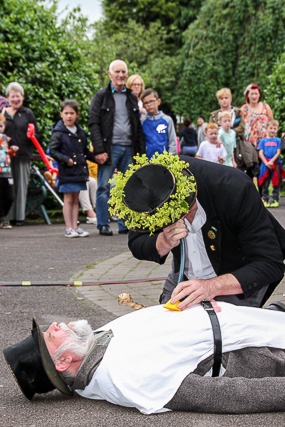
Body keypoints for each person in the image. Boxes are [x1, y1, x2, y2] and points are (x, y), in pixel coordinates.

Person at [4, 303, 285, 414]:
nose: (53, 326)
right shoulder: (124, 377)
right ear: (64, 362)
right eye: (49, 338)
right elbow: (221, 395)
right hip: (261, 351)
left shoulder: (97, 342)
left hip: (254, 320)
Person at [126, 153, 285, 308]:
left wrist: (212, 286)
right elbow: (136, 243)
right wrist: (163, 242)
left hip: (236, 274)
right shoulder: (148, 187)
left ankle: (272, 314)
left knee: (225, 332)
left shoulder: (235, 188)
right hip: (185, 278)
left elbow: (270, 263)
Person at [89, 59, 145, 236]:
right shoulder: (101, 96)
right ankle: (103, 223)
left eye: (123, 72)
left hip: (129, 148)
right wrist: (99, 150)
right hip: (109, 148)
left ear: (126, 74)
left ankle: (124, 223)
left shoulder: (131, 96)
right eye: (117, 72)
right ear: (110, 74)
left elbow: (137, 126)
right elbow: (93, 123)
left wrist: (140, 153)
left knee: (127, 187)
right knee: (103, 187)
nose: (120, 75)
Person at [50, 99, 96, 238]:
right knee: (68, 199)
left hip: (79, 171)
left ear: (77, 115)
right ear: (61, 114)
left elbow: (85, 151)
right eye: (66, 113)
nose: (69, 116)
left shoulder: (80, 132)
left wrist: (97, 158)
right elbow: (53, 150)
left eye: (72, 113)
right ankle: (68, 227)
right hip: (67, 171)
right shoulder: (58, 132)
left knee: (76, 199)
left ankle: (75, 226)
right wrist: (66, 160)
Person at [2, 82, 40, 226]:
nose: (16, 99)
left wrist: (31, 135)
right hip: (5, 157)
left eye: (18, 96)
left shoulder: (27, 113)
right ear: (8, 97)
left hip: (23, 155)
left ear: (22, 97)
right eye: (13, 96)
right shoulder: (3, 114)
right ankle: (7, 217)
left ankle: (19, 217)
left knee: (21, 186)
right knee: (7, 187)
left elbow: (37, 134)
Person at [209, 87, 258, 175]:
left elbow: (242, 127)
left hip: (236, 146)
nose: (224, 100)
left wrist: (229, 133)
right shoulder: (214, 115)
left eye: (226, 98)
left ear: (230, 98)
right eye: (221, 98)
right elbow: (211, 128)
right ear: (218, 100)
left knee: (237, 171)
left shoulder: (238, 112)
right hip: (219, 146)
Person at [140, 88, 177, 160]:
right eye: (146, 103)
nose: (149, 105)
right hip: (147, 161)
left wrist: (170, 159)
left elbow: (172, 142)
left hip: (164, 160)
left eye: (151, 101)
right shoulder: (142, 122)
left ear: (158, 101)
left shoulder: (167, 120)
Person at [258, 119, 285, 208]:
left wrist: (271, 161)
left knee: (276, 182)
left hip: (275, 163)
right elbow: (260, 152)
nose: (272, 130)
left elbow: (278, 152)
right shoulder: (263, 141)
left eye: (274, 128)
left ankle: (275, 199)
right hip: (265, 164)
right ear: (266, 129)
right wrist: (266, 162)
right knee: (265, 182)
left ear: (277, 130)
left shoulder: (278, 140)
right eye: (271, 128)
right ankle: (265, 199)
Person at [0, 113, 18, 229]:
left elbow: (7, 153)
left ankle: (3, 216)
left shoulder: (5, 138)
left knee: (10, 196)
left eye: (1, 126)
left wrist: (13, 150)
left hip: (7, 171)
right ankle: (3, 219)